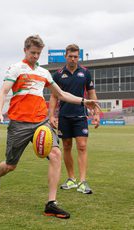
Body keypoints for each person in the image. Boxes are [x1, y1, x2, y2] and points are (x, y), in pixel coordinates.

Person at [0, 35, 99, 219]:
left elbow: (61, 94)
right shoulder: (16, 68)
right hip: (19, 124)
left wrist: (83, 100)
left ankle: (51, 204)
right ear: (25, 50)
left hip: (41, 122)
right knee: (10, 165)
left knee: (56, 155)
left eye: (38, 53)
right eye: (33, 53)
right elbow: (3, 91)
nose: (35, 56)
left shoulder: (44, 73)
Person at [49, 44, 100, 195]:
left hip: (80, 115)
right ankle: (71, 179)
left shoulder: (85, 73)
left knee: (82, 146)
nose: (73, 59)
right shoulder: (57, 75)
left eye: (76, 56)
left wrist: (96, 113)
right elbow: (53, 96)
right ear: (65, 56)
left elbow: (91, 93)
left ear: (79, 57)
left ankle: (83, 181)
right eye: (70, 56)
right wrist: (51, 115)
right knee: (66, 146)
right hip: (64, 115)